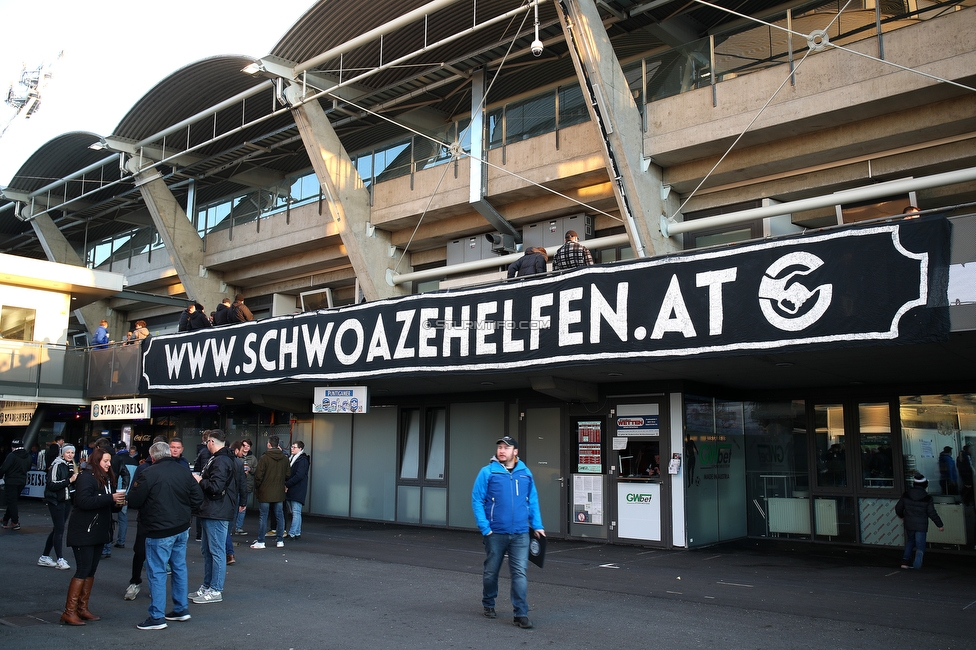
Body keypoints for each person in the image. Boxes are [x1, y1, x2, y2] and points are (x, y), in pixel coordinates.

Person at [126, 441, 204, 630]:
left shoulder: (149, 473)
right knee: (178, 567)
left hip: (158, 528)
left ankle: (157, 616)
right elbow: (198, 498)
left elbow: (134, 500)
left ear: (153, 457)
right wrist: (185, 513)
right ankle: (180, 609)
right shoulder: (184, 471)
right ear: (169, 453)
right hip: (181, 526)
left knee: (157, 571)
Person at [471, 435, 544, 629]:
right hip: (495, 533)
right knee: (491, 572)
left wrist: (537, 525)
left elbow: (533, 500)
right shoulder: (487, 472)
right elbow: (477, 500)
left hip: (520, 533)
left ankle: (520, 614)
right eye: (500, 447)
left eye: (507, 447)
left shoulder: (525, 473)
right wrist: (485, 528)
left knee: (520, 573)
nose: (502, 450)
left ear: (515, 452)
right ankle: (488, 603)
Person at [61, 447, 126, 625]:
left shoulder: (104, 479)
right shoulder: (86, 477)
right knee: (83, 569)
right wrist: (110, 499)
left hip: (97, 531)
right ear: (97, 461)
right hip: (84, 531)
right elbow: (82, 501)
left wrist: (118, 503)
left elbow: (106, 503)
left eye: (109, 461)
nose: (108, 464)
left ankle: (82, 608)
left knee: (90, 570)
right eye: (105, 461)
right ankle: (69, 611)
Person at [192, 429, 238, 604]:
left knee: (215, 551)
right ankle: (208, 586)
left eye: (207, 443)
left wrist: (199, 480)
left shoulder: (220, 460)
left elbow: (215, 487)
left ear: (211, 442)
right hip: (213, 509)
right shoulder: (224, 459)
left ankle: (215, 589)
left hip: (216, 510)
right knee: (209, 551)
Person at [38, 444, 78, 571]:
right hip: (56, 500)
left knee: (57, 529)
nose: (70, 455)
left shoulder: (71, 465)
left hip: (65, 500)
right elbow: (51, 484)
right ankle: (60, 559)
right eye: (68, 452)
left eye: (72, 452)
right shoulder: (57, 465)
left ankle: (44, 556)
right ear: (63, 453)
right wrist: (70, 480)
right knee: (59, 529)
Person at [895, 473, 944, 570]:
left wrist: (902, 516)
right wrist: (940, 525)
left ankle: (905, 562)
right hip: (921, 525)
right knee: (920, 545)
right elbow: (932, 513)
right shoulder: (927, 498)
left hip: (909, 523)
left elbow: (898, 508)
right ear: (925, 485)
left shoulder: (906, 494)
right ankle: (917, 564)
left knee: (910, 541)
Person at [250, 435, 290, 550]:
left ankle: (261, 541)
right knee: (280, 515)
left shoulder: (264, 458)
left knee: (264, 516)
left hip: (265, 491)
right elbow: (288, 474)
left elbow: (258, 476)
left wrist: (258, 487)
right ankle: (280, 540)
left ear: (269, 444)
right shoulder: (285, 458)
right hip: (278, 491)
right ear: (278, 445)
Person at [224, 440, 247, 565]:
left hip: (223, 496)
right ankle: (228, 552)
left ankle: (228, 552)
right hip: (234, 496)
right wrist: (243, 502)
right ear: (237, 450)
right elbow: (243, 484)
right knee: (228, 526)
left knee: (222, 526)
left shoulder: (222, 461)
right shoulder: (239, 463)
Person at [0, 438, 32, 530]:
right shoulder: (28, 456)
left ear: (13, 447)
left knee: (12, 501)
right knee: (13, 500)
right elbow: (28, 468)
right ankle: (5, 519)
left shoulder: (12, 455)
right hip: (22, 480)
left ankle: (15, 522)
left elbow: (4, 468)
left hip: (11, 481)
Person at [285, 441, 310, 540]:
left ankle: (292, 533)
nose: (292, 448)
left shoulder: (302, 460)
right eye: (292, 447)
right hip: (295, 488)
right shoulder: (294, 459)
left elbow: (299, 475)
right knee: (296, 512)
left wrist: (287, 484)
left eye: (294, 447)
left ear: (300, 449)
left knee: (295, 511)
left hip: (297, 488)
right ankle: (297, 532)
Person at [232, 438, 256, 535]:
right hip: (237, 486)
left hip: (247, 485)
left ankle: (239, 527)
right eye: (244, 446)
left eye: (248, 446)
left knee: (243, 507)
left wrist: (250, 470)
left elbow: (256, 470)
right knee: (234, 507)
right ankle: (230, 527)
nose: (246, 448)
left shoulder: (253, 458)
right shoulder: (236, 458)